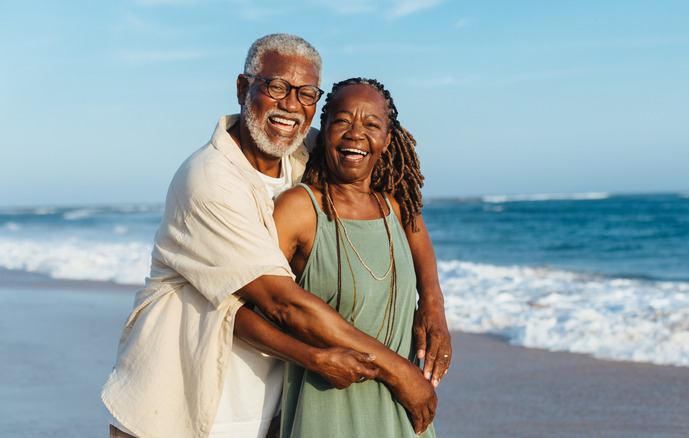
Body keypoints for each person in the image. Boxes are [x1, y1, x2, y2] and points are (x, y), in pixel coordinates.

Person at [101, 33, 450, 438]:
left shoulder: (306, 152)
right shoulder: (209, 182)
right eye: (277, 86)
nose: (290, 105)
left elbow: (402, 209)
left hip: (262, 408)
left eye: (305, 94)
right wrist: (397, 371)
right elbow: (282, 303)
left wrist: (433, 304)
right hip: (177, 404)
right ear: (242, 88)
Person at [273, 78, 438, 437]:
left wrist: (434, 306)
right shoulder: (300, 209)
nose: (355, 134)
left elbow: (425, 258)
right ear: (324, 127)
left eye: (371, 124)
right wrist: (311, 357)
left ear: (388, 140)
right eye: (343, 121)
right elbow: (260, 301)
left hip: (404, 412)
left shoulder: (397, 206)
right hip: (329, 415)